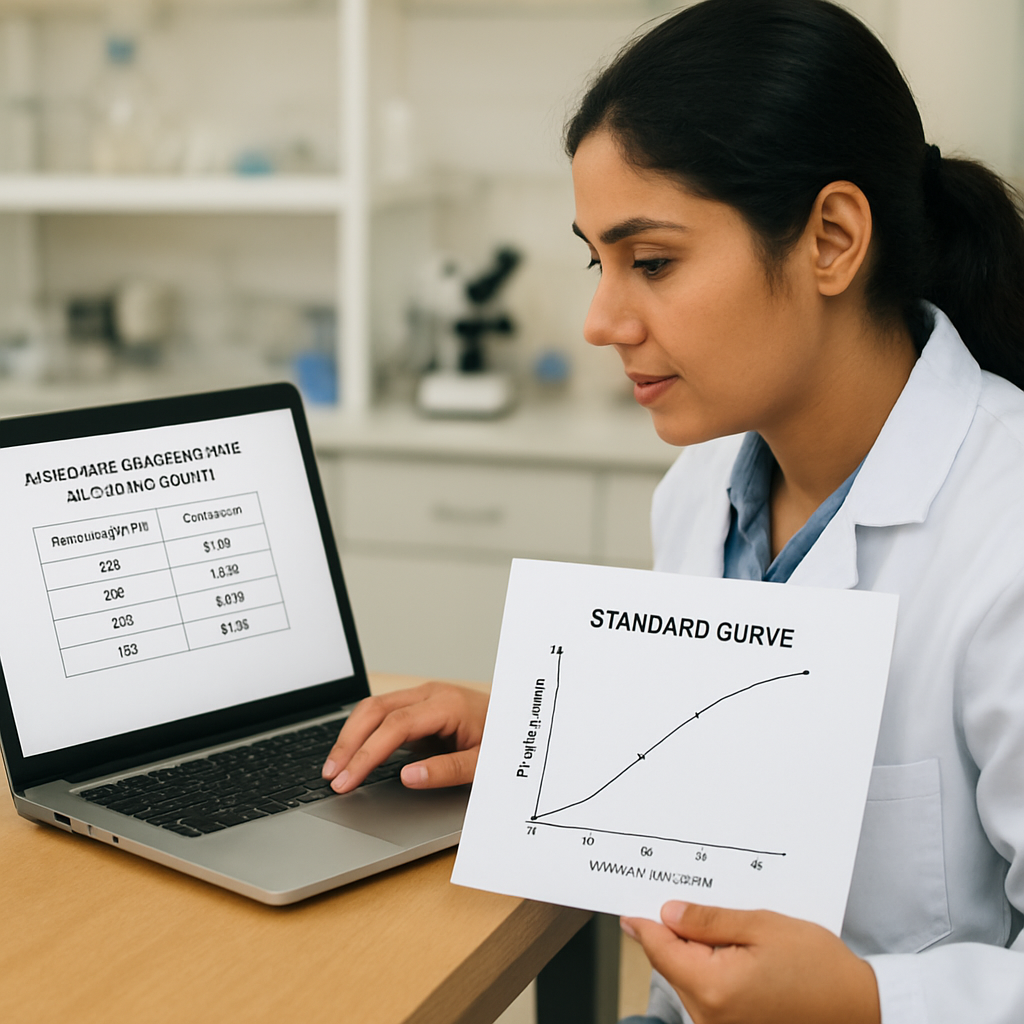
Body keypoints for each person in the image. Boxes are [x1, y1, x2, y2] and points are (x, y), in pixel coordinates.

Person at [321, 1, 1024, 1021]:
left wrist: (873, 1000)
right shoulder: (701, 491)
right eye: (595, 262)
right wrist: (540, 734)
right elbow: (722, 753)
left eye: (650, 262)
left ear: (831, 239)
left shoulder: (1002, 526)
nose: (602, 320)